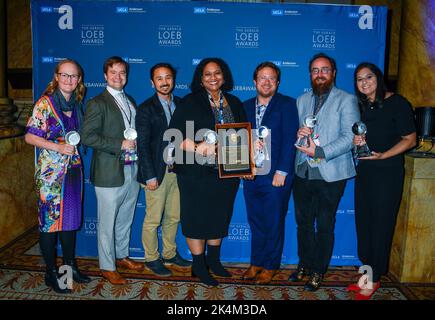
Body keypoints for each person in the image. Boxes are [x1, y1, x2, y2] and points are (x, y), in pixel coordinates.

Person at [169, 57, 247, 286]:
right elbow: (173, 136)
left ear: (224, 77)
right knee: (196, 218)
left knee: (219, 216)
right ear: (200, 80)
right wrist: (196, 146)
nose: (213, 78)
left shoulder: (234, 102)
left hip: (225, 174)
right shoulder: (190, 102)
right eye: (207, 74)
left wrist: (247, 162)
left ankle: (214, 260)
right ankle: (198, 265)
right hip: (195, 174)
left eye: (217, 73)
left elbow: (242, 137)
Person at [290, 53, 360, 291]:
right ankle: (304, 264)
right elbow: (298, 134)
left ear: (334, 73)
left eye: (325, 70)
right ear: (310, 74)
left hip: (330, 175)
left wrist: (318, 152)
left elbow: (350, 138)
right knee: (303, 224)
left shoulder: (347, 100)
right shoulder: (301, 100)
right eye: (315, 70)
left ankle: (318, 271)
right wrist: (299, 135)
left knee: (325, 225)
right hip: (302, 173)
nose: (320, 74)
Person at [347, 62, 416, 300]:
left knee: (381, 226)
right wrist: (358, 143)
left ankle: (374, 279)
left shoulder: (397, 103)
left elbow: (410, 138)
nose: (364, 82)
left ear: (378, 77)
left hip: (388, 173)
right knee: (364, 225)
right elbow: (361, 138)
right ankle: (366, 274)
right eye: (359, 79)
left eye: (369, 77)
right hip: (366, 173)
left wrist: (384, 154)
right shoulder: (362, 106)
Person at [25, 59, 91, 293]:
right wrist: (57, 147)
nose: (69, 80)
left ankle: (69, 268)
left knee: (70, 222)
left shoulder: (77, 103)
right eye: (64, 75)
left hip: (72, 170)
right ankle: (51, 273)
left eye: (74, 76)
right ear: (56, 77)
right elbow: (30, 137)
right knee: (50, 224)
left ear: (79, 80)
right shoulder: (45, 103)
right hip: (51, 175)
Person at [81, 56, 143, 285]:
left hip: (131, 168)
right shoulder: (97, 102)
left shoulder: (130, 100)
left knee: (125, 217)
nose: (118, 76)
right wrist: (119, 144)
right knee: (107, 222)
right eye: (113, 72)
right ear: (105, 76)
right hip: (109, 171)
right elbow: (87, 136)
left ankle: (122, 255)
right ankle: (107, 266)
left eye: (122, 72)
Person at [242, 62, 299, 284]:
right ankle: (256, 262)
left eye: (271, 78)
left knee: (274, 221)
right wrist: (243, 166)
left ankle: (270, 265)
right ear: (254, 81)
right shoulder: (244, 106)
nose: (266, 82)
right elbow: (237, 139)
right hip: (251, 175)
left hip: (276, 176)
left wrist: (282, 171)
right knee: (255, 221)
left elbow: (289, 140)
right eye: (262, 78)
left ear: (277, 82)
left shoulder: (287, 105)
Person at [136, 63, 191, 277]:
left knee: (174, 216)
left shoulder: (181, 104)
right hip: (156, 172)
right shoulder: (145, 108)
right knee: (153, 219)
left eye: (168, 77)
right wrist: (149, 175)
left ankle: (169, 253)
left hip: (177, 170)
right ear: (152, 82)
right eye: (159, 78)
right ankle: (151, 257)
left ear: (173, 80)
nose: (164, 82)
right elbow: (142, 145)